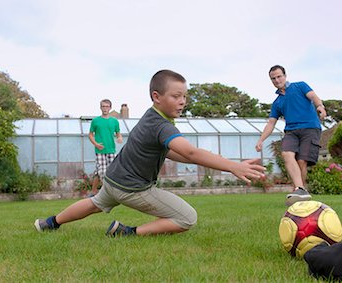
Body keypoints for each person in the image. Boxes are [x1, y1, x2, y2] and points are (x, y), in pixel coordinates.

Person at [35, 69, 266, 237]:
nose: (182, 101)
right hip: (132, 187)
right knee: (187, 218)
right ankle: (127, 232)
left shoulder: (151, 117)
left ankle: (50, 223)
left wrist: (193, 157)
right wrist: (234, 166)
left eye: (184, 96)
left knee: (95, 203)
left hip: (114, 179)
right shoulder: (161, 125)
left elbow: (173, 152)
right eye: (176, 96)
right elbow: (191, 153)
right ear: (157, 96)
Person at [255, 65, 326, 206]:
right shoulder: (277, 103)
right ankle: (300, 189)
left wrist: (320, 106)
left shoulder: (300, 86)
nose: (276, 80)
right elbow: (271, 123)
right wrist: (261, 140)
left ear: (285, 75)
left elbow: (313, 96)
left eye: (279, 76)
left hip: (310, 128)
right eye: (273, 78)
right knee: (287, 154)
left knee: (301, 161)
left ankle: (299, 190)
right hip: (291, 131)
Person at [88, 99, 123, 196]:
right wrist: (96, 144)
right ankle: (107, 194)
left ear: (110, 108)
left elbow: (118, 133)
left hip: (111, 150)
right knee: (103, 172)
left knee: (110, 171)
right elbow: (90, 135)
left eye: (107, 106)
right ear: (100, 107)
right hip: (100, 150)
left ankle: (94, 191)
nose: (105, 108)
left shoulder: (114, 121)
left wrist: (119, 138)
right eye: (103, 106)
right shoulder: (95, 121)